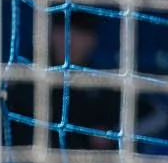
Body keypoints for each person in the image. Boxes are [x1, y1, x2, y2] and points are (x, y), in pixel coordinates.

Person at [8, 9, 122, 155]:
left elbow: (150, 118)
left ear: (92, 40)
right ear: (50, 34)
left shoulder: (103, 84)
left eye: (79, 33)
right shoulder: (25, 79)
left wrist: (110, 136)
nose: (69, 39)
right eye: (62, 30)